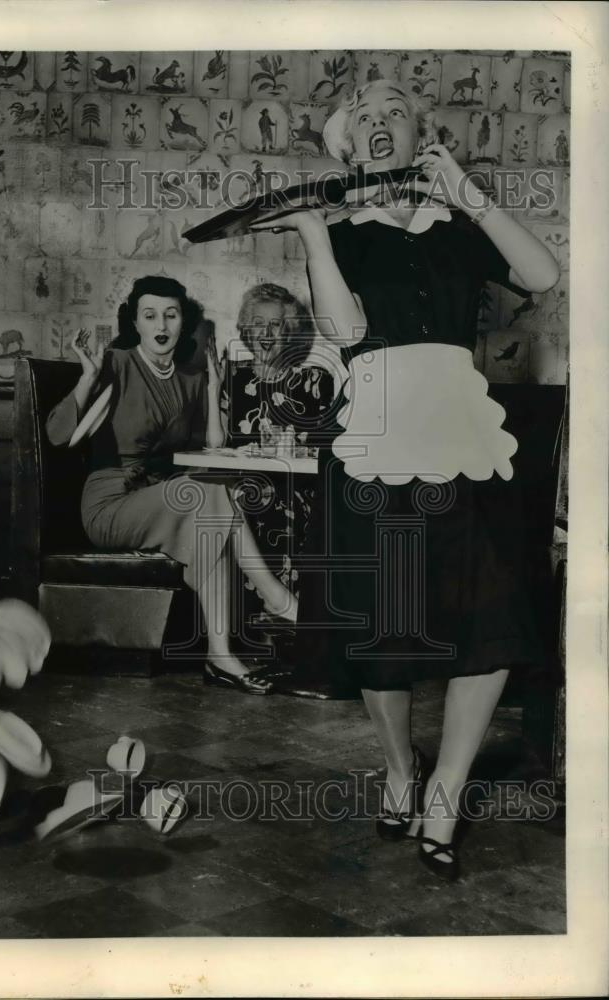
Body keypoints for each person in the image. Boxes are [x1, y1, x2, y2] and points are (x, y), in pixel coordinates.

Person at [252, 79, 560, 879]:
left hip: (468, 439)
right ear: (347, 147)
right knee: (384, 630)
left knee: (489, 619)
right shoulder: (342, 233)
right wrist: (316, 237)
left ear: (420, 132)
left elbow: (543, 274)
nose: (380, 121)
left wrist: (464, 186)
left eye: (396, 111)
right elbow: (347, 330)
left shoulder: (459, 225)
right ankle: (400, 768)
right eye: (365, 117)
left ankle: (446, 794)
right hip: (376, 441)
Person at [46, 275, 298, 695]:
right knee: (206, 494)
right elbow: (56, 435)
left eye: (171, 314)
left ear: (183, 322)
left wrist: (213, 387)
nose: (161, 324)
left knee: (211, 497)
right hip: (110, 504)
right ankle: (276, 597)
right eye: (150, 315)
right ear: (136, 323)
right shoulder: (116, 363)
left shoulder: (190, 378)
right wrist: (87, 378)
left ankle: (221, 655)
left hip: (164, 498)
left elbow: (212, 449)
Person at [218, 282, 338, 695]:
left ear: (292, 333)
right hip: (244, 488)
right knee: (232, 500)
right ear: (244, 331)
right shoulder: (228, 379)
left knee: (284, 505)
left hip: (297, 488)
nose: (267, 334)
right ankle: (261, 633)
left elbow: (324, 450)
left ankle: (291, 635)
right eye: (257, 325)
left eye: (277, 326)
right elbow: (217, 448)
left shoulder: (314, 380)